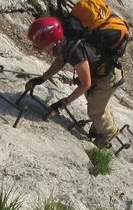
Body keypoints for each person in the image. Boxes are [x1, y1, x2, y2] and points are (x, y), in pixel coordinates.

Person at [24, 10, 125, 148]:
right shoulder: (64, 42)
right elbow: (60, 61)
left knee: (94, 110)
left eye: (39, 45)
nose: (39, 48)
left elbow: (85, 84)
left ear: (49, 41)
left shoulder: (74, 51)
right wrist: (42, 78)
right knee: (94, 99)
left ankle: (109, 132)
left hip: (107, 78)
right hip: (98, 73)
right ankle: (100, 123)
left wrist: (62, 103)